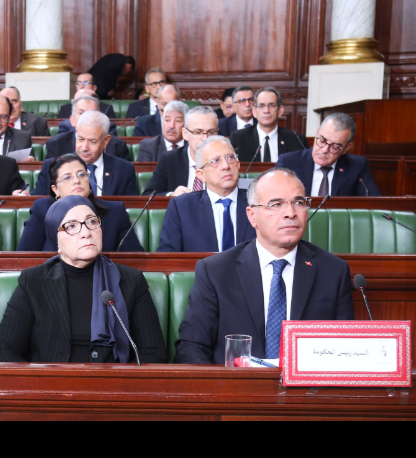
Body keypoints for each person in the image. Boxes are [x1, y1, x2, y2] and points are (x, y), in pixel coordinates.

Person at [174, 168, 355, 364]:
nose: (290, 213)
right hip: (235, 390)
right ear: (252, 216)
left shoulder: (333, 271)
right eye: (276, 204)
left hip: (306, 392)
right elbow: (191, 347)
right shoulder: (216, 271)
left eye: (299, 202)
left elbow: (345, 349)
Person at [0, 195, 166, 363]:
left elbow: (153, 351)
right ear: (57, 241)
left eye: (91, 222)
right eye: (72, 226)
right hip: (50, 387)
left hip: (113, 387)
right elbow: (4, 349)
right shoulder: (33, 281)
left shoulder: (130, 280)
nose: (86, 233)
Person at [18, 154, 144, 252]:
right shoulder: (42, 209)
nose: (76, 181)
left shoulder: (115, 211)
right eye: (67, 177)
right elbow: (24, 257)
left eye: (81, 174)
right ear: (55, 189)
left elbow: (134, 259)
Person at [157, 137, 255, 253]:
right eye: (215, 161)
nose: (226, 166)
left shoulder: (257, 202)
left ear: (238, 165)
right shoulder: (181, 207)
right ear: (201, 175)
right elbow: (168, 257)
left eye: (230, 158)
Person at [34, 111, 139, 197]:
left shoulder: (124, 170)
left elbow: (130, 210)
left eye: (93, 141)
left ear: (106, 141)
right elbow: (38, 202)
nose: (84, 148)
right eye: (80, 139)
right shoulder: (51, 166)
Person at [277, 113, 381, 197]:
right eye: (322, 140)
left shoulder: (357, 166)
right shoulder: (288, 162)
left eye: (335, 147)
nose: (324, 150)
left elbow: (373, 204)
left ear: (346, 148)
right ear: (317, 133)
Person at [143, 106, 219, 196]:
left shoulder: (225, 162)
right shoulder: (169, 160)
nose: (205, 138)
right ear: (185, 134)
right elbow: (148, 196)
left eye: (211, 132)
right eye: (198, 132)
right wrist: (171, 196)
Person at [230, 87, 307, 162]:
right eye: (261, 106)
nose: (266, 111)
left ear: (280, 110)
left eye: (271, 105)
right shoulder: (238, 139)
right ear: (254, 111)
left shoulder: (296, 140)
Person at [46, 95, 129, 160]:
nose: (87, 117)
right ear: (72, 120)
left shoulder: (118, 146)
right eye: (82, 113)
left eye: (92, 113)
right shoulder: (56, 144)